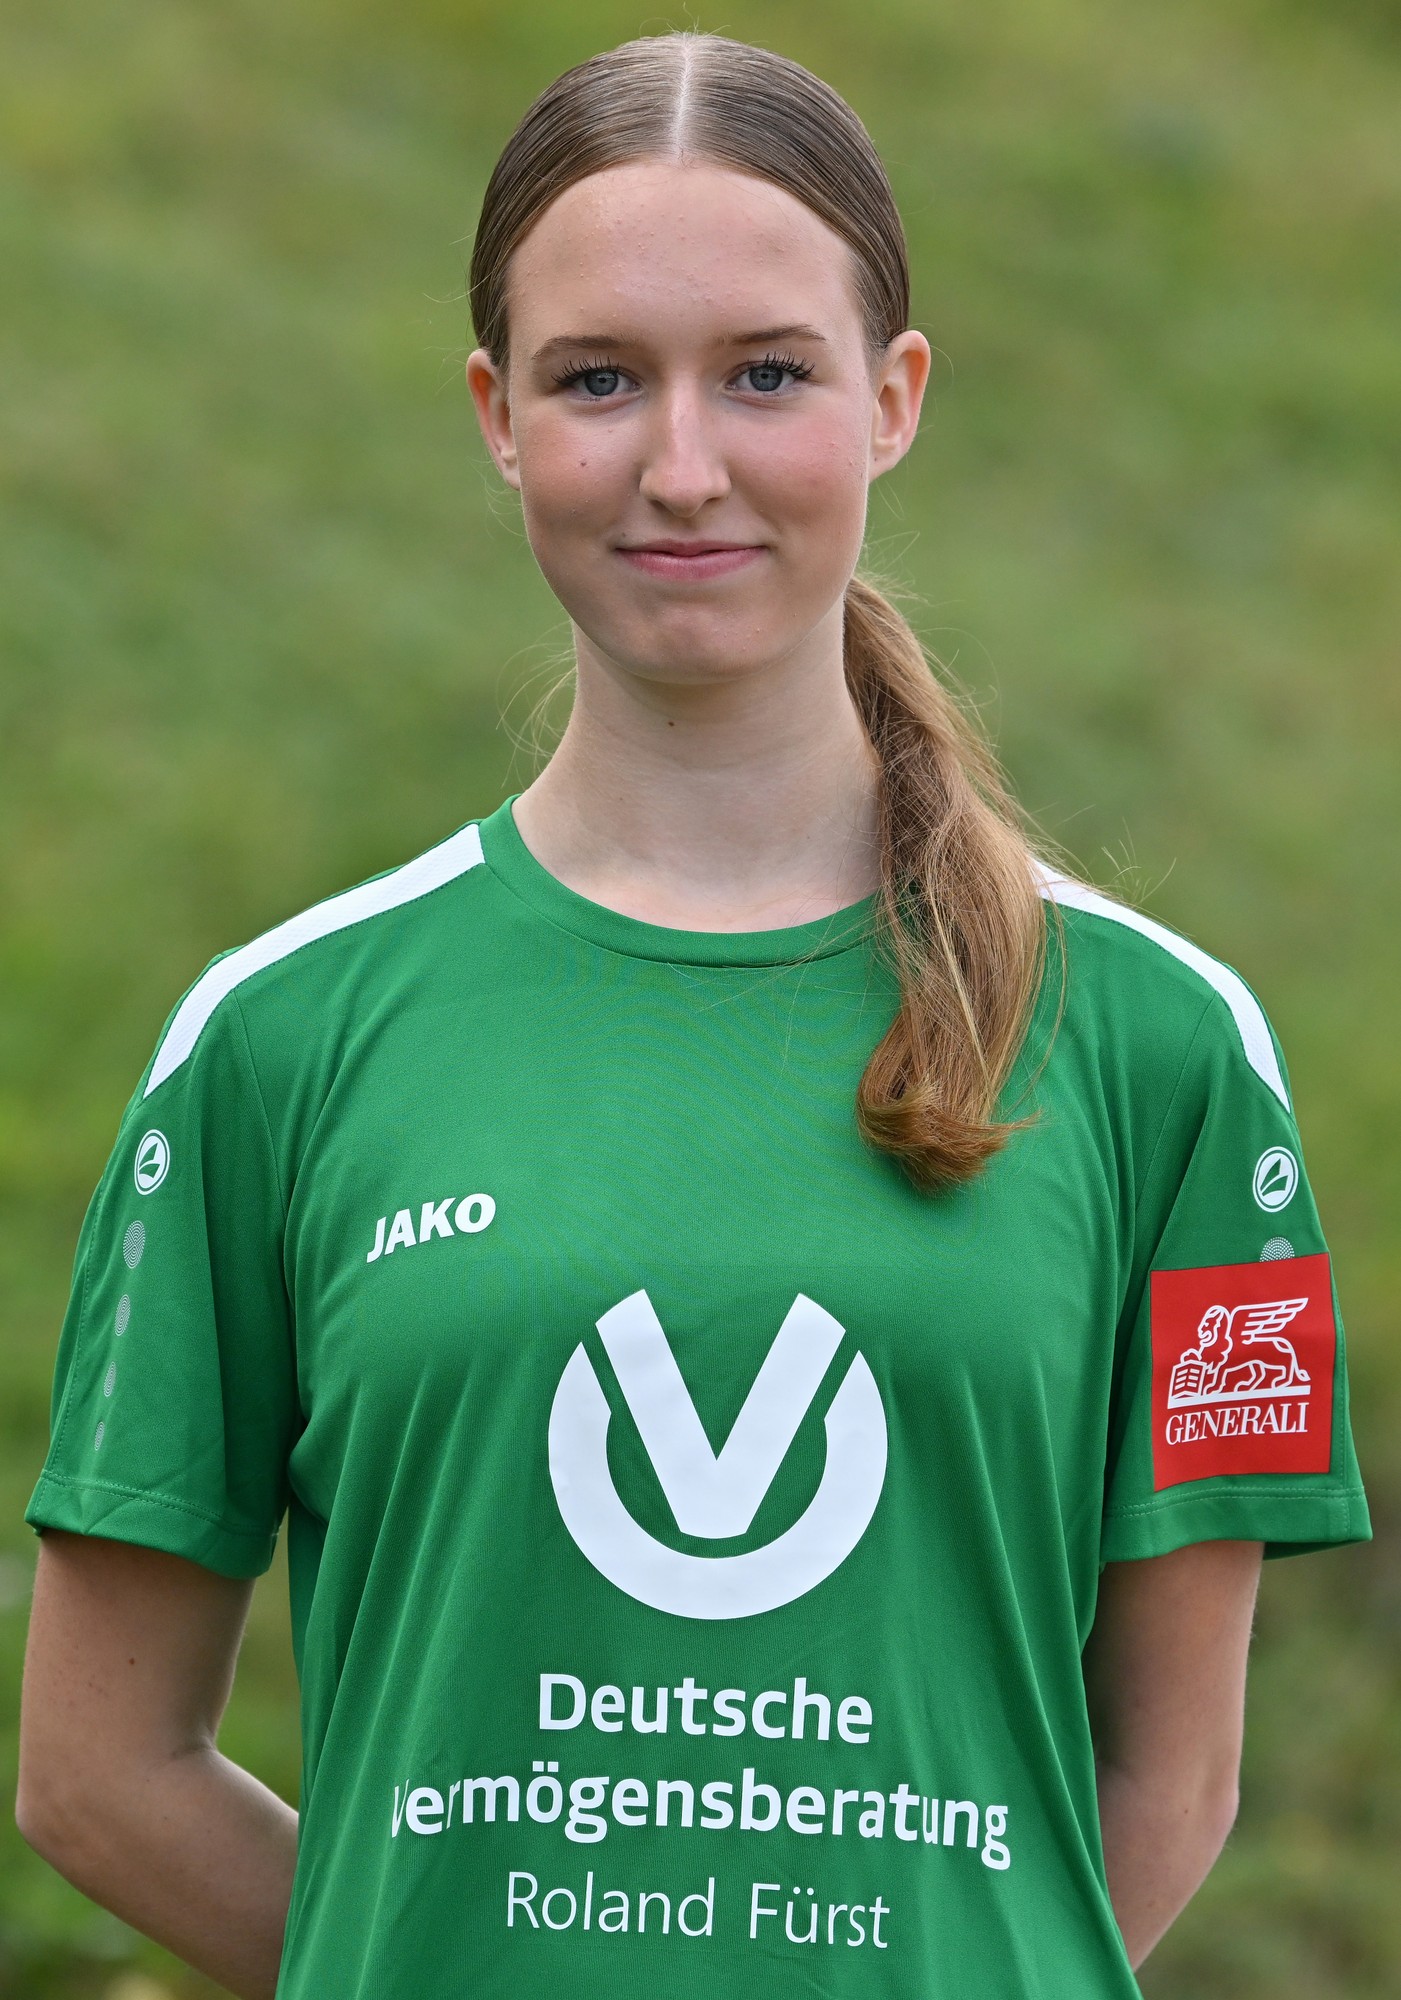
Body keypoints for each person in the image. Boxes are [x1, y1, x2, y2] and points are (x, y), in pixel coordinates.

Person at [16, 31, 1369, 2000]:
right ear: (494, 416)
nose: (678, 465)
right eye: (595, 379)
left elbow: (1166, 1781)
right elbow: (96, 1772)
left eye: (764, 372)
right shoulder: (272, 1041)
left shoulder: (1174, 1054)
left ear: (891, 399)